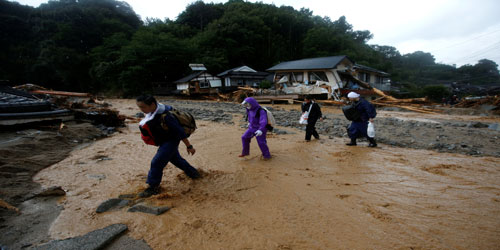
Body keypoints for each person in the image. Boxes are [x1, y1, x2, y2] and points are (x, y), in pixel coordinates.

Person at [136, 95, 200, 198]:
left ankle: (153, 187)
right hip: (164, 141)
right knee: (176, 160)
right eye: (139, 107)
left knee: (156, 162)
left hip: (171, 141)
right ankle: (195, 174)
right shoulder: (152, 113)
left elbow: (180, 131)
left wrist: (189, 146)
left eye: (142, 107)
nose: (141, 110)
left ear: (152, 105)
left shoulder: (166, 115)